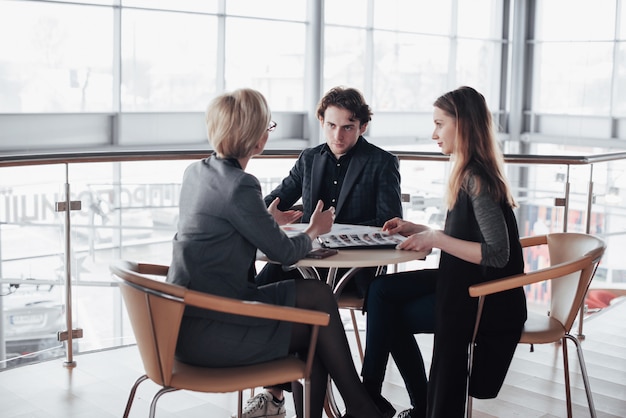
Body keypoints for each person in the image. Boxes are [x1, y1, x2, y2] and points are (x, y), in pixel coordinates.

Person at [166, 88, 387, 418]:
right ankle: (361, 407)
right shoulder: (242, 185)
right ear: (256, 139)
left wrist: (265, 218)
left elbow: (226, 222)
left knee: (317, 296)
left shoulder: (196, 172)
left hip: (182, 322)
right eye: (268, 127)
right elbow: (285, 252)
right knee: (316, 324)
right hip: (213, 329)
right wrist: (314, 229)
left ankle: (358, 406)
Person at [360, 86, 528, 418]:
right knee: (380, 292)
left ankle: (404, 405)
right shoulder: (466, 172)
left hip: (486, 298)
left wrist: (435, 238)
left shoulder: (476, 179)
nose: (434, 133)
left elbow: (497, 254)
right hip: (462, 280)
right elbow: (464, 238)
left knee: (387, 313)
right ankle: (371, 397)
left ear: (462, 125)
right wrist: (417, 229)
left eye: (440, 124)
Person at [246, 86, 403, 418]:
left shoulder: (382, 163)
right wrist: (269, 214)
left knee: (290, 294)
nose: (339, 135)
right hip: (310, 264)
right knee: (267, 282)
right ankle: (276, 390)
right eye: (331, 125)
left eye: (347, 127)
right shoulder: (309, 158)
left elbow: (388, 223)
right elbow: (272, 202)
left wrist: (331, 227)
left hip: (355, 271)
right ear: (321, 121)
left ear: (362, 126)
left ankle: (277, 393)